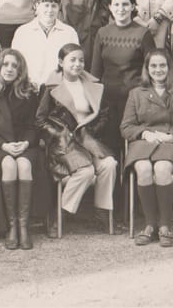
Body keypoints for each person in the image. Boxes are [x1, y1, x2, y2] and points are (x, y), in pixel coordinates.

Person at [36, 43, 118, 234]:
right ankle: (59, 215)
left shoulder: (93, 85)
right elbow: (40, 120)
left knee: (109, 164)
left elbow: (104, 114)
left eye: (81, 60)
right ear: (61, 62)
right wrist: (59, 134)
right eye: (72, 60)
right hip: (63, 143)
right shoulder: (50, 88)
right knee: (86, 172)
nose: (77, 64)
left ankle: (102, 213)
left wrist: (92, 130)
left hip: (88, 139)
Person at [121, 49, 173, 247]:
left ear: (170, 67)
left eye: (162, 65)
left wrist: (171, 137)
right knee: (143, 168)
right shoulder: (136, 93)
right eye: (153, 66)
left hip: (171, 142)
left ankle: (164, 225)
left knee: (162, 168)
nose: (158, 70)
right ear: (147, 68)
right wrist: (144, 133)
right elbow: (126, 127)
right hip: (144, 142)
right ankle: (149, 225)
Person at [0, 49, 50, 249]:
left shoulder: (29, 91)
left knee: (24, 165)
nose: (9, 69)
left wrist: (26, 143)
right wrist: (3, 145)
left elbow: (34, 125)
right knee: (8, 165)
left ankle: (23, 226)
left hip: (24, 144)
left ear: (20, 70)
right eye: (5, 64)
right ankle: (11, 226)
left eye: (14, 66)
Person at [91, 0, 156, 156]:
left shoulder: (143, 34)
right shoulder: (102, 33)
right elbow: (95, 73)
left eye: (126, 4)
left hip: (134, 102)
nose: (121, 9)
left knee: (134, 150)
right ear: (110, 7)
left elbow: (152, 71)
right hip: (107, 102)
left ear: (133, 6)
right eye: (116, 4)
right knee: (110, 149)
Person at [11, 0, 80, 87]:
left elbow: (74, 64)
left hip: (58, 88)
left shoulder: (69, 33)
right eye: (46, 5)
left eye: (54, 6)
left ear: (59, 8)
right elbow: (16, 63)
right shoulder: (22, 32)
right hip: (29, 87)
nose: (50, 10)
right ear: (36, 6)